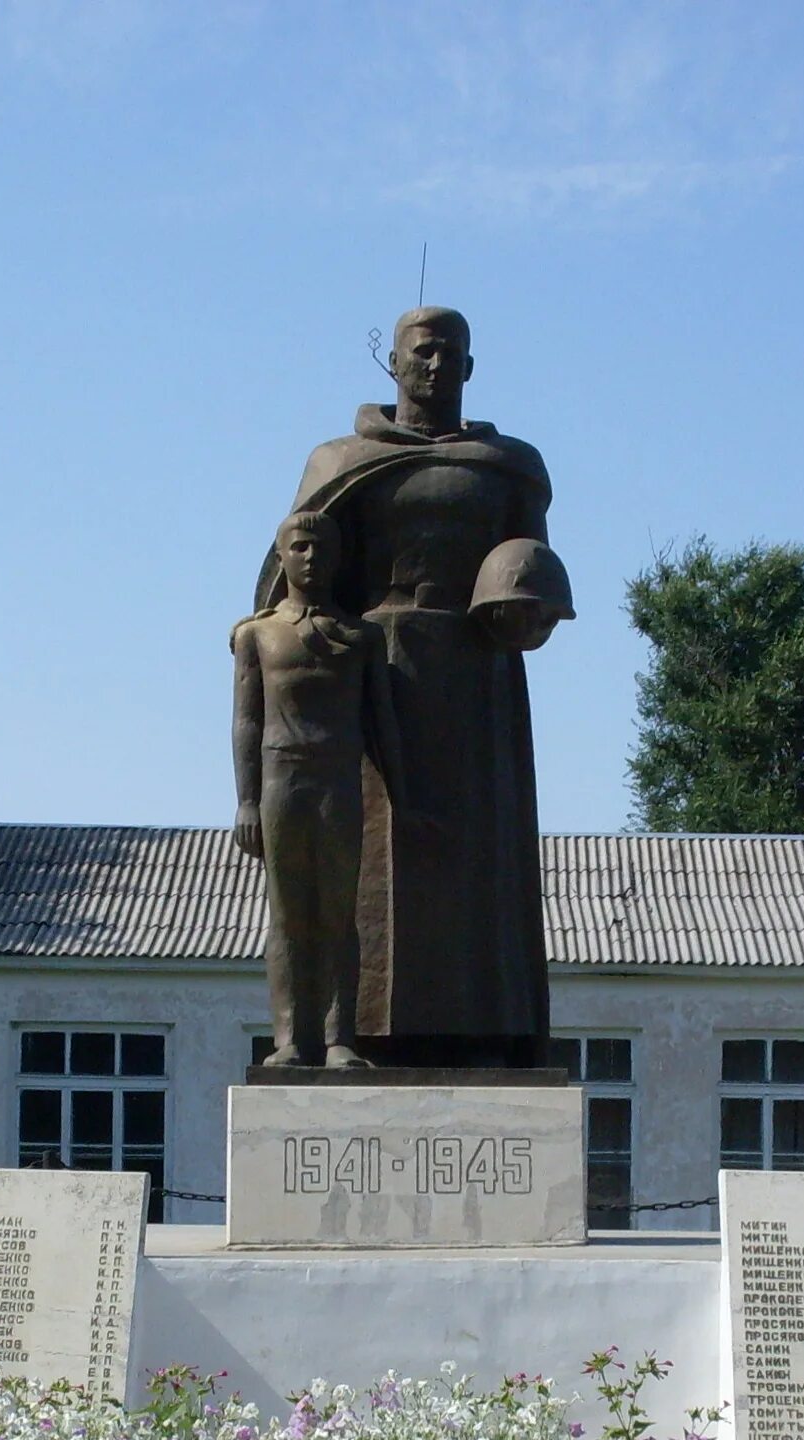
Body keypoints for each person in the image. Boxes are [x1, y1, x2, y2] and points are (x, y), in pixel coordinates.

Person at [255, 307, 571, 1066]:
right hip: (371, 675)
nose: (435, 368)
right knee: (364, 859)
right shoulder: (339, 459)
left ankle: (485, 1033)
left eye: (450, 356)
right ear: (393, 364)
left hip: (478, 678)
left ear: (469, 368)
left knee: (474, 857)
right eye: (421, 354)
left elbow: (533, 573)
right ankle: (345, 1034)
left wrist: (527, 614)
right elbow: (288, 579)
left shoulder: (509, 465)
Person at [232, 509, 397, 1069]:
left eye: (323, 547)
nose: (311, 557)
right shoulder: (257, 634)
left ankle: (337, 1038)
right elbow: (246, 723)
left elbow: (384, 727)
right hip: (282, 781)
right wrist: (247, 799)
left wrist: (406, 798)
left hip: (338, 784)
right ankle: (290, 1040)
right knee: (287, 914)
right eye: (300, 547)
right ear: (281, 557)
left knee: (337, 914)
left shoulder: (362, 637)